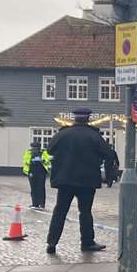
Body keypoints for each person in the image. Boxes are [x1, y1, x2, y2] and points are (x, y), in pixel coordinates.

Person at [45, 109, 120, 254]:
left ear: (75, 119)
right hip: (87, 181)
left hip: (65, 180)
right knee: (85, 212)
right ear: (88, 119)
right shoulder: (94, 135)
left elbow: (49, 150)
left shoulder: (62, 134)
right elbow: (108, 154)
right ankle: (87, 242)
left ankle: (52, 243)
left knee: (60, 211)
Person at [22, 142, 51, 209]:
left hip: (41, 172)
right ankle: (35, 204)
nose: (33, 149)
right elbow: (25, 160)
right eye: (32, 147)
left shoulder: (43, 152)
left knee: (41, 188)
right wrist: (31, 161)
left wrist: (42, 160)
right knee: (33, 189)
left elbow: (48, 160)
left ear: (39, 148)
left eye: (35, 147)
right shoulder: (28, 152)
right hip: (31, 172)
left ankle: (42, 205)